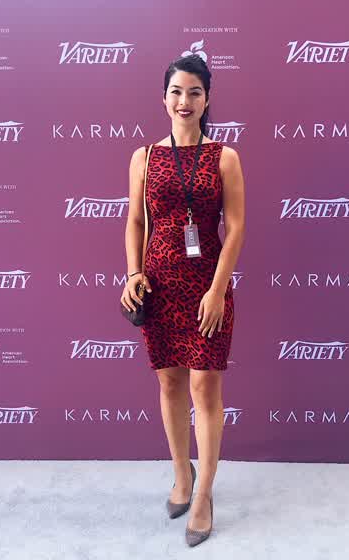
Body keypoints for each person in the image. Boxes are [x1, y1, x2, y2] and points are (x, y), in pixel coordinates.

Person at [120, 54, 245, 546]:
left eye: (194, 92)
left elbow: (236, 228)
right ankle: (181, 474)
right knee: (170, 382)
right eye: (176, 91)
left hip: (207, 288)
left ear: (207, 99)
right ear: (164, 98)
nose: (184, 100)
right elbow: (135, 221)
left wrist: (217, 290)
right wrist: (133, 274)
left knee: (205, 389)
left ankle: (204, 494)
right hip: (160, 286)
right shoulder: (144, 157)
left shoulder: (225, 157)